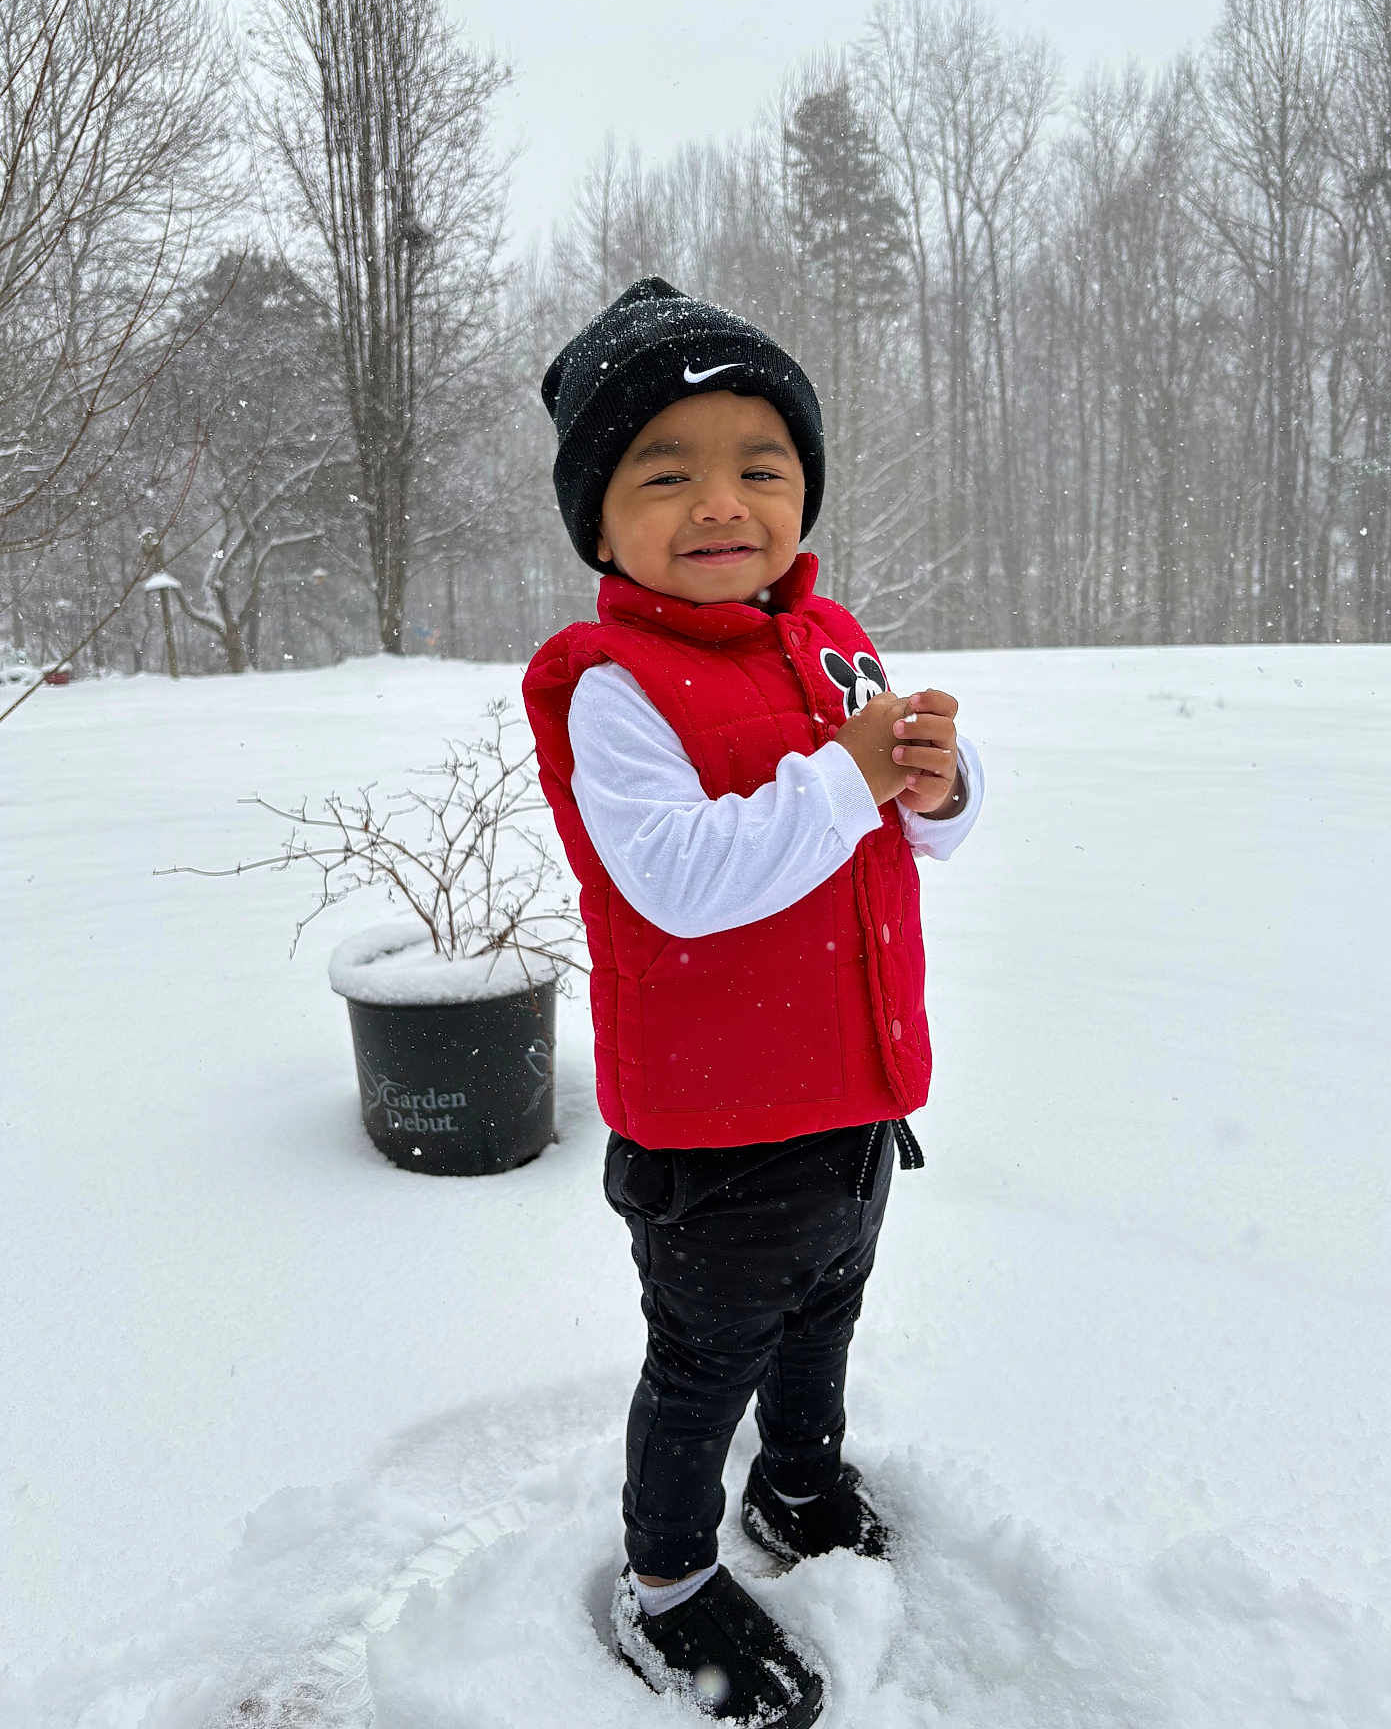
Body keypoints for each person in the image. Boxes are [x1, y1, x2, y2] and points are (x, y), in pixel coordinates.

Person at [521, 277, 985, 1726]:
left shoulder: (834, 636)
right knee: (703, 1361)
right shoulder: (615, 684)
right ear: (602, 521)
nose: (722, 502)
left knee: (824, 1321)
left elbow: (915, 838)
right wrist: (846, 775)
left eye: (759, 467)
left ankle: (796, 1481)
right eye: (667, 474)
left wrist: (935, 789)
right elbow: (680, 879)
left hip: (854, 1095)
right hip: (717, 1131)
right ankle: (665, 1585)